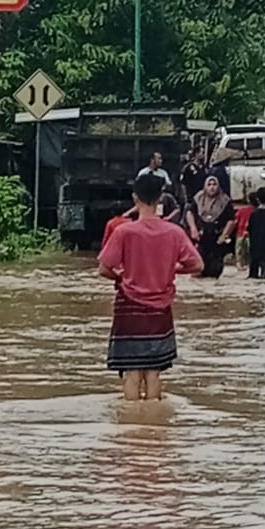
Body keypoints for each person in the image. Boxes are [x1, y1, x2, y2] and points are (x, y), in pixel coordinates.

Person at [98, 170, 203, 400]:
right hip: (160, 308)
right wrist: (173, 269)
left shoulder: (124, 232)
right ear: (160, 199)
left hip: (129, 307)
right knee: (154, 372)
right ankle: (155, 425)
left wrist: (120, 278)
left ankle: (131, 426)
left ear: (135, 198)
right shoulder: (174, 232)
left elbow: (104, 268)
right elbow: (198, 266)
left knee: (132, 372)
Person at [194, 174, 236, 279]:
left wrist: (224, 235)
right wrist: (193, 229)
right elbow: (189, 213)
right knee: (198, 269)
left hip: (217, 240)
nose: (212, 187)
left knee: (214, 270)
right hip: (201, 238)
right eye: (209, 184)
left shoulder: (225, 200)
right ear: (205, 186)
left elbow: (232, 219)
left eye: (214, 184)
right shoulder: (198, 198)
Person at [247, 185, 265, 279]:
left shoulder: (253, 214)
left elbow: (249, 230)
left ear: (258, 199)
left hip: (254, 248)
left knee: (253, 275)